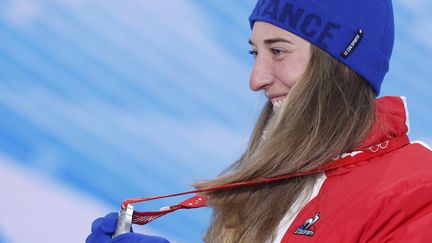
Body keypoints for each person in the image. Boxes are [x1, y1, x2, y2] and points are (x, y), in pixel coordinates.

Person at [86, 0, 432, 242]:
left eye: (278, 51)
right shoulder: (276, 179)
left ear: (337, 62)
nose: (256, 79)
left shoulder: (418, 189)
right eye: (255, 52)